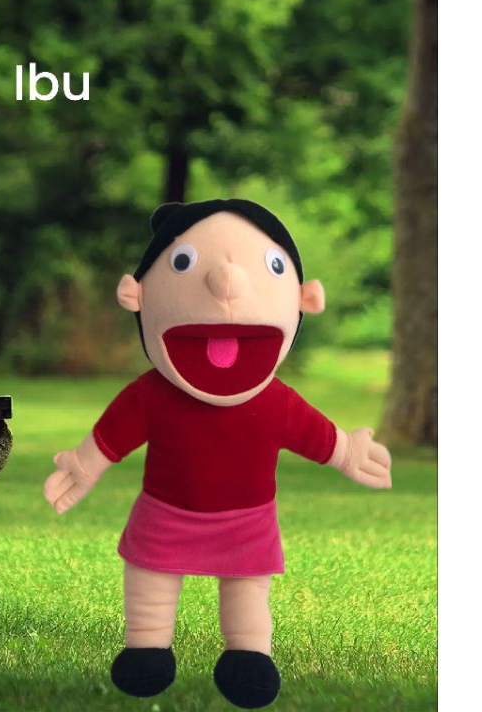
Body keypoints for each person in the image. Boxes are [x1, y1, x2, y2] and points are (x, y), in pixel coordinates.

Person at [43, 199, 392, 709]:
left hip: (247, 522)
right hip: (166, 514)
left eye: (271, 267)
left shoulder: (276, 401)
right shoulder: (153, 394)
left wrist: (346, 451)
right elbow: (115, 432)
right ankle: (147, 646)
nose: (227, 282)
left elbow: (314, 433)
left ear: (304, 299)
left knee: (247, 591)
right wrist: (84, 463)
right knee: (151, 581)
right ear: (136, 295)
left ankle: (248, 654)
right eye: (183, 263)